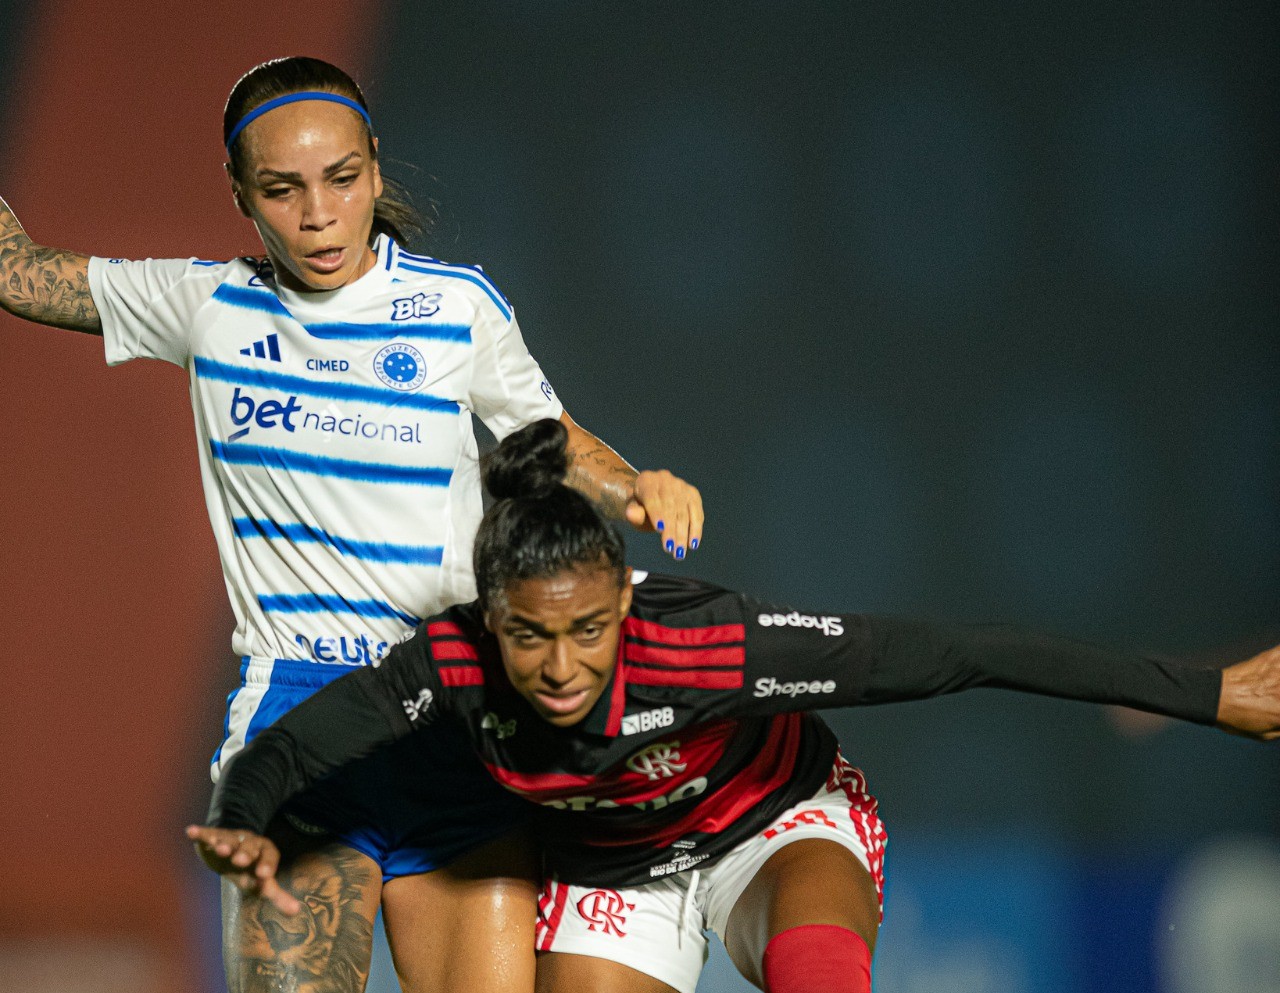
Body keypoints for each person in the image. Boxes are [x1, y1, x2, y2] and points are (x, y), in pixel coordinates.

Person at [0, 57, 704, 993]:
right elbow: (18, 272)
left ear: (374, 164)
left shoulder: (457, 308)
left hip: (456, 712)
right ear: (239, 193)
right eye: (282, 190)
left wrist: (631, 486)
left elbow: (549, 437)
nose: (319, 215)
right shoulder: (207, 305)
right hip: (303, 723)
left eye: (341, 179)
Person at [192, 417, 1280, 993]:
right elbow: (292, 748)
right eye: (529, 636)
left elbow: (961, 654)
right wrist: (240, 817)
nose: (562, 666)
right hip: (613, 873)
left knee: (817, 975)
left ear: (625, 602)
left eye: (589, 630)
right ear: (488, 624)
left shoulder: (709, 645)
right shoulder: (445, 666)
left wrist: (1207, 693)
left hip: (769, 822)